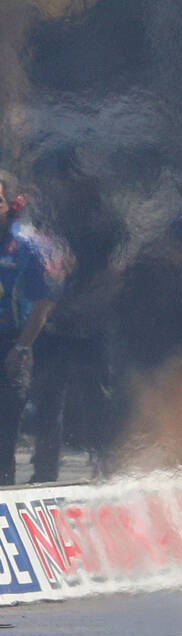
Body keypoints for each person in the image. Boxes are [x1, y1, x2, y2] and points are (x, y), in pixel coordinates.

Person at [0, 172, 58, 484]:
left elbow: (42, 304)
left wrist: (22, 348)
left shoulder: (27, 246)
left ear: (10, 204)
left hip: (12, 345)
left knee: (4, 431)